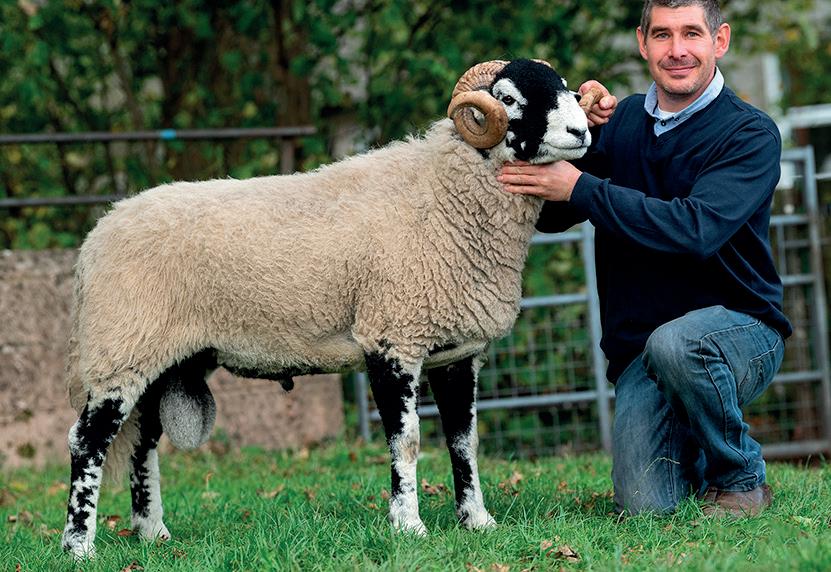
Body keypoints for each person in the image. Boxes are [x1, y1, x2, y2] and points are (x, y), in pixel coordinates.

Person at [498, 0, 792, 517]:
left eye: (691, 34)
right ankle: (692, 453)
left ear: (720, 41)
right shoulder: (623, 121)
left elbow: (695, 230)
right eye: (662, 35)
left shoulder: (750, 133)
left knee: (678, 344)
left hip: (740, 331)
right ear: (642, 43)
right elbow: (552, 215)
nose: (677, 50)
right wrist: (568, 133)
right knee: (644, 508)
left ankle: (740, 477)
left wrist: (582, 186)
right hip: (643, 352)